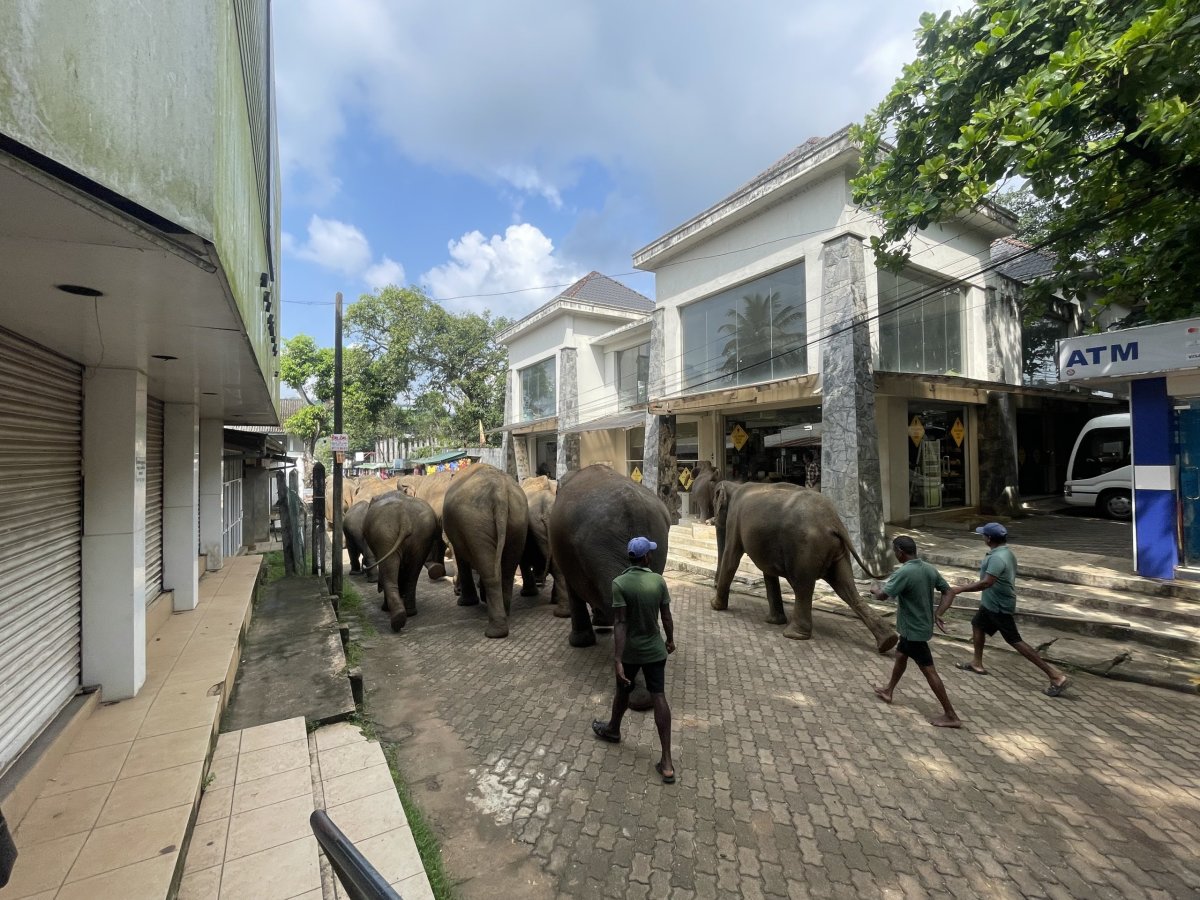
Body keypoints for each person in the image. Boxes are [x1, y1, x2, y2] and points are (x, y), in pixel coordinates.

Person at [937, 523, 1071, 697]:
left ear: (989, 538)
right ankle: (977, 663)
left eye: (983, 535)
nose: (982, 537)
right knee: (977, 624)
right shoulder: (1005, 553)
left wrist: (960, 589)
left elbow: (987, 583)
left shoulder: (997, 558)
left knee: (1015, 640)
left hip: (998, 606)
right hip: (991, 603)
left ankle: (1056, 676)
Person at [592, 536, 677, 783]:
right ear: (646, 557)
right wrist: (670, 640)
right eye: (650, 552)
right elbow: (666, 616)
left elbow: (620, 622)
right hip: (655, 651)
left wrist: (618, 659)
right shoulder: (658, 581)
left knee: (622, 692)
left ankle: (613, 729)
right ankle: (667, 762)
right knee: (659, 696)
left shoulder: (619, 583)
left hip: (630, 652)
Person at [870, 536, 962, 728]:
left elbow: (884, 596)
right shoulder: (929, 569)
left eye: (894, 551)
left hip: (913, 631)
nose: (894, 554)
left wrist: (874, 589)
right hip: (917, 627)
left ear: (900, 552)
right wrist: (939, 613)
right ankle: (888, 690)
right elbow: (949, 591)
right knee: (901, 656)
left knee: (929, 670)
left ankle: (951, 715)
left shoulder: (904, 572)